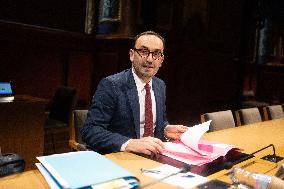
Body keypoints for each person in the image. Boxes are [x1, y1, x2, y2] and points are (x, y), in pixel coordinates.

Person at [81, 31, 188, 155]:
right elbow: (90, 131)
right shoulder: (111, 85)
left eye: (156, 54)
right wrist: (129, 143)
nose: (149, 59)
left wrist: (165, 129)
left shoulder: (160, 86)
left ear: (161, 60)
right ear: (132, 55)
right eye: (143, 52)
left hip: (154, 157)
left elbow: (159, 120)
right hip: (123, 158)